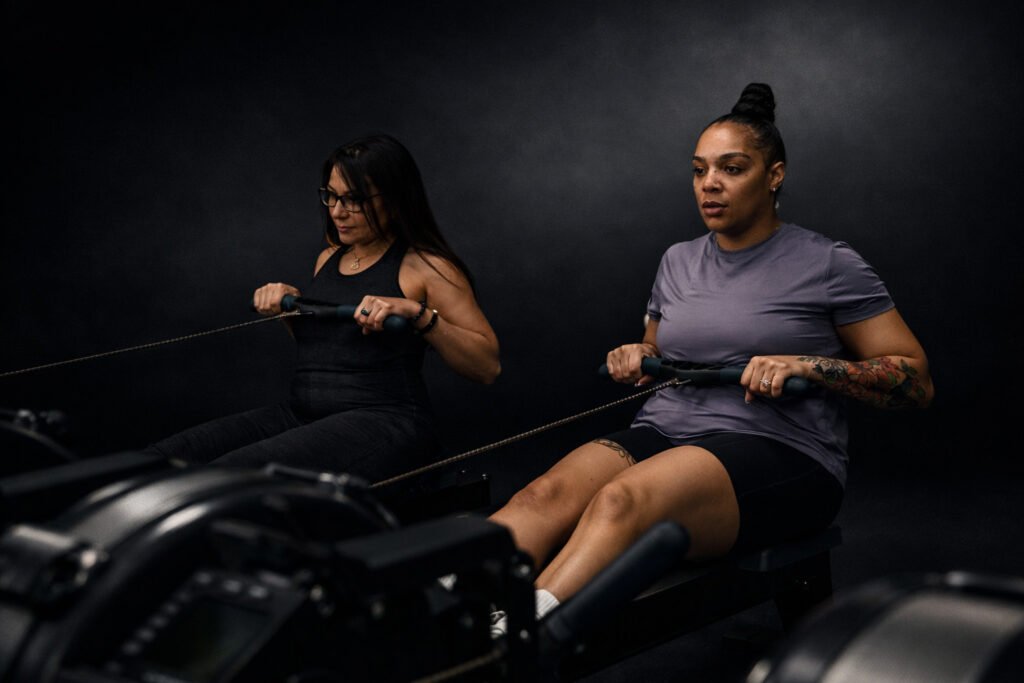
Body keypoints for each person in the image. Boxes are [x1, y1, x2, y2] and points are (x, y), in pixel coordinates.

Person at [486, 83, 934, 634]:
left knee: (620, 501)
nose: (710, 184)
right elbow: (656, 346)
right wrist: (639, 353)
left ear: (774, 175)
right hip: (666, 428)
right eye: (699, 171)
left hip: (783, 451)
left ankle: (511, 640)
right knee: (542, 495)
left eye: (732, 168)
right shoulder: (677, 261)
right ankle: (444, 617)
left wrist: (808, 365)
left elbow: (915, 380)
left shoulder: (828, 263)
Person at [144, 133, 500, 483]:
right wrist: (287, 307)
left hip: (387, 421)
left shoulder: (427, 268)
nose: (337, 212)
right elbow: (330, 347)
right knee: (158, 461)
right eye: (331, 196)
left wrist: (417, 314)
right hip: (303, 414)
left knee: (226, 477)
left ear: (394, 200)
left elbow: (487, 367)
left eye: (353, 199)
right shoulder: (328, 258)